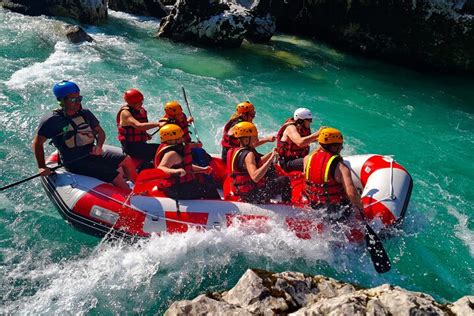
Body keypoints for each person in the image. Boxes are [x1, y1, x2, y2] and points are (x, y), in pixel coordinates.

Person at [32, 80, 137, 190]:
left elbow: (100, 132)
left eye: (79, 98)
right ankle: (131, 196)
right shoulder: (52, 120)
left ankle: (139, 188)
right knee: (114, 175)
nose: (78, 102)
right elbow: (37, 143)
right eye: (73, 99)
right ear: (61, 101)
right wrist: (42, 166)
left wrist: (99, 146)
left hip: (91, 153)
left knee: (126, 160)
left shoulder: (85, 113)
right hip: (74, 162)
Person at [303, 127, 363, 221]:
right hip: (337, 211)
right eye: (340, 146)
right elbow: (351, 193)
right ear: (334, 147)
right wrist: (361, 207)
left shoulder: (307, 159)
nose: (341, 148)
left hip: (314, 206)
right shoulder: (341, 167)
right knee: (358, 192)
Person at [226, 122, 291, 203]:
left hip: (242, 193)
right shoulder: (249, 154)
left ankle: (273, 194)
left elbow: (257, 162)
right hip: (253, 196)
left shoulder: (234, 150)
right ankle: (287, 206)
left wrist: (271, 153)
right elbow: (255, 177)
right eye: (255, 137)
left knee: (270, 169)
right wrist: (270, 160)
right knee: (285, 180)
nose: (257, 139)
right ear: (246, 139)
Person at [154, 124, 220, 199]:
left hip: (183, 185)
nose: (181, 140)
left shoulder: (178, 148)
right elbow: (160, 168)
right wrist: (175, 171)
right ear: (170, 140)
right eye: (178, 138)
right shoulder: (171, 154)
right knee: (209, 189)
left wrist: (202, 169)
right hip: (176, 189)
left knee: (207, 185)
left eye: (180, 137)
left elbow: (186, 166)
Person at [117, 89, 161, 169]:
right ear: (131, 103)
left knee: (161, 147)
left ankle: (148, 166)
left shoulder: (140, 110)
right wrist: (158, 124)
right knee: (159, 151)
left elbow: (136, 128)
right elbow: (138, 125)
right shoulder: (125, 113)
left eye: (141, 101)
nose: (141, 104)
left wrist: (145, 134)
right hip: (131, 148)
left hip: (140, 144)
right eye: (138, 102)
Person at [276, 108, 323, 172]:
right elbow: (300, 142)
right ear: (301, 120)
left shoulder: (303, 129)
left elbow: (307, 140)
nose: (310, 122)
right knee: (310, 161)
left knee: (321, 154)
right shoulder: (290, 128)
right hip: (286, 162)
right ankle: (308, 180)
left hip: (296, 159)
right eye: (309, 120)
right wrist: (316, 134)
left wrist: (322, 138)